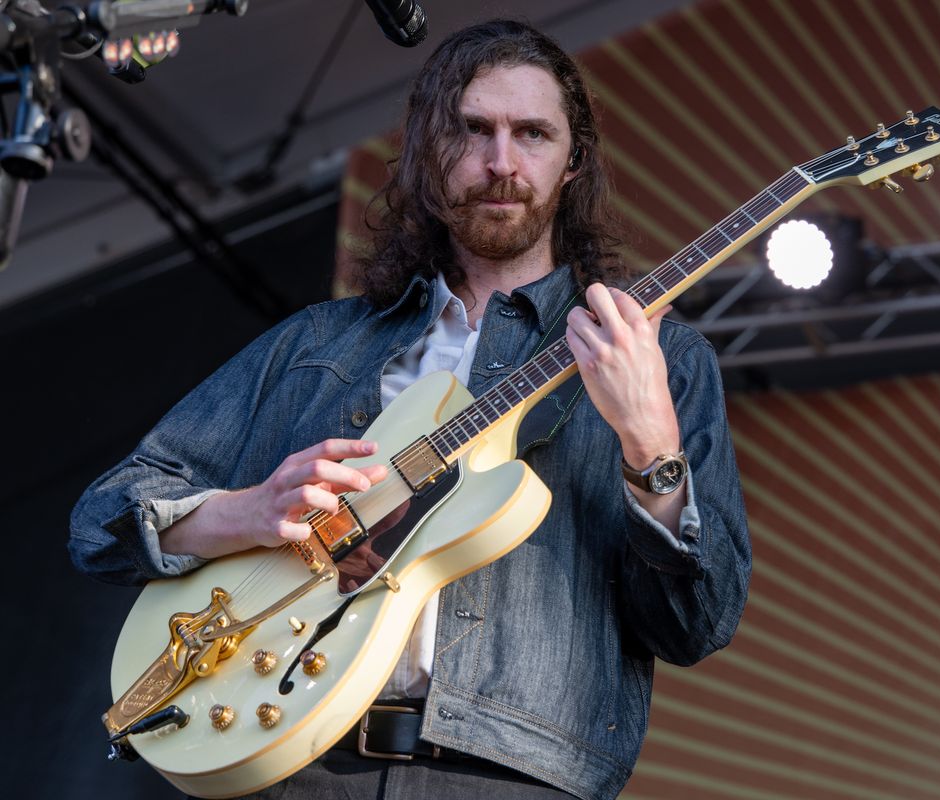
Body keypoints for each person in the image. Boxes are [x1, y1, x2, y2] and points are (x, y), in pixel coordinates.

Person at [70, 18, 750, 800]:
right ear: (429, 152)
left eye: (533, 133)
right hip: (293, 762)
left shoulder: (655, 355)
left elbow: (696, 625)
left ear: (573, 162)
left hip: (511, 776)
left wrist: (649, 439)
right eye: (472, 130)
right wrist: (251, 511)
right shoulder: (318, 344)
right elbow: (100, 523)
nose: (502, 162)